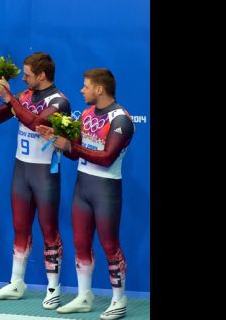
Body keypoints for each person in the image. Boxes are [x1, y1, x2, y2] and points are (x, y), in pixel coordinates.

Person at [35, 68, 134, 319]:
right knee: (80, 243)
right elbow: (73, 152)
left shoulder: (121, 119)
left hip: (106, 189)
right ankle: (84, 296)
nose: (82, 90)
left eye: (86, 86)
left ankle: (119, 300)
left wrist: (72, 146)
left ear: (99, 89)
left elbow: (107, 158)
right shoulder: (88, 113)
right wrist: (59, 140)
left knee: (110, 246)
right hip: (82, 188)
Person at [0, 53, 69, 309]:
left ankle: (53, 289)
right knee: (20, 228)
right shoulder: (25, 96)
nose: (23, 77)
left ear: (42, 75)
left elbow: (36, 123)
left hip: (44, 174)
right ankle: (16, 283)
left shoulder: (60, 101)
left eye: (28, 74)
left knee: (49, 230)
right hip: (21, 171)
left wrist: (10, 98)